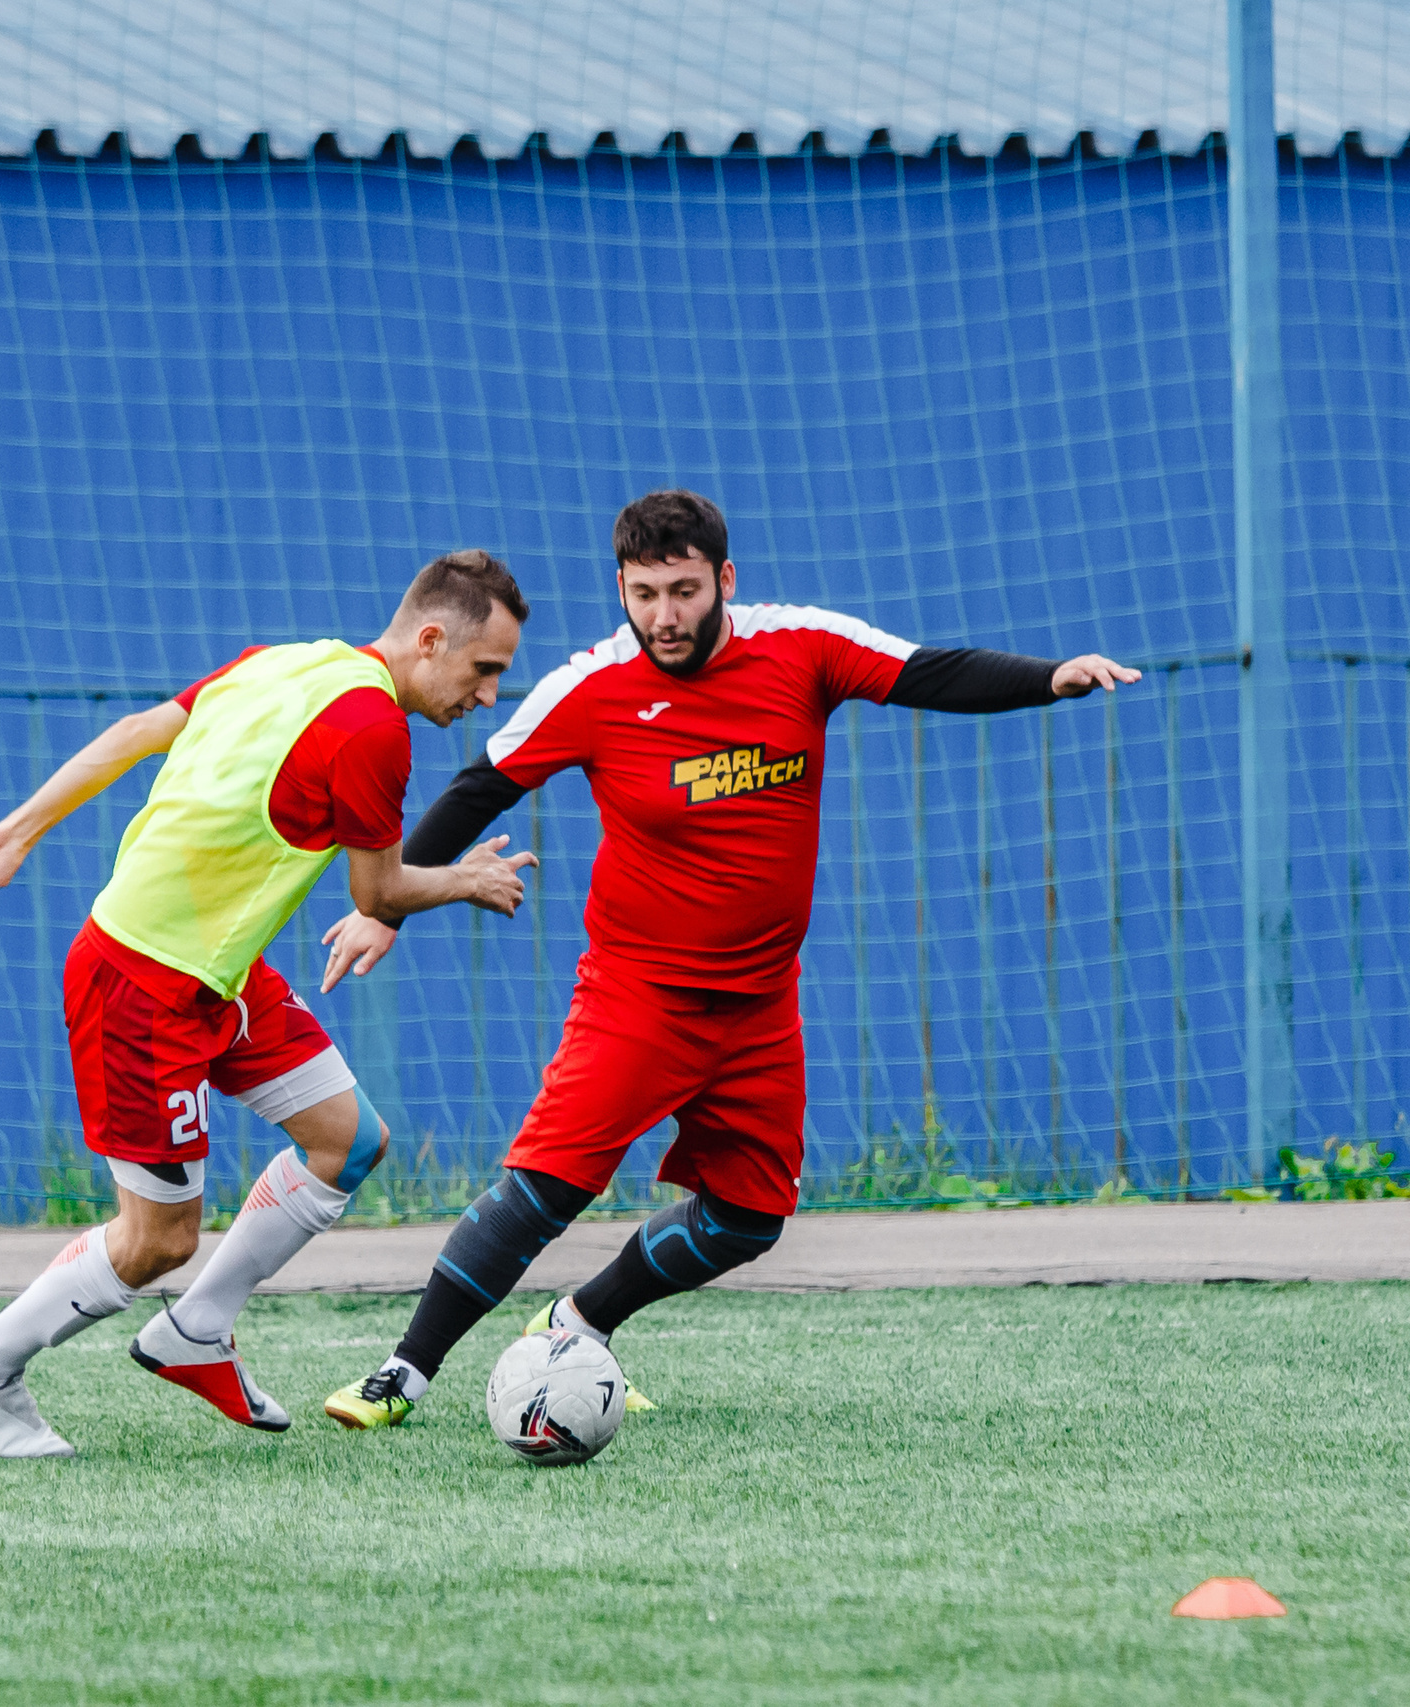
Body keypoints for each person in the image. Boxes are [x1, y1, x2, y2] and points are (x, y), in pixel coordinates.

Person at [321, 492, 1138, 1429]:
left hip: (758, 1005)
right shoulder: (594, 687)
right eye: (644, 594)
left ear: (725, 581)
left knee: (748, 1219)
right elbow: (479, 788)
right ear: (619, 590)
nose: (664, 616)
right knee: (548, 1185)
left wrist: (1051, 676)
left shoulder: (799, 646)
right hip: (638, 996)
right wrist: (386, 909)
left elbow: (927, 671)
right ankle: (403, 1372)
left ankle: (580, 1320)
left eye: (684, 590)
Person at [0, 550, 536, 1457]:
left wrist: (20, 829)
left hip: (219, 973)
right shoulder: (374, 729)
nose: (487, 696)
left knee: (349, 1138)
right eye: (485, 670)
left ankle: (197, 1328)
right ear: (432, 638)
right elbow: (377, 894)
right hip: (141, 983)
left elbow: (139, 729)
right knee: (157, 1240)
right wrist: (466, 877)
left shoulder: (285, 658)